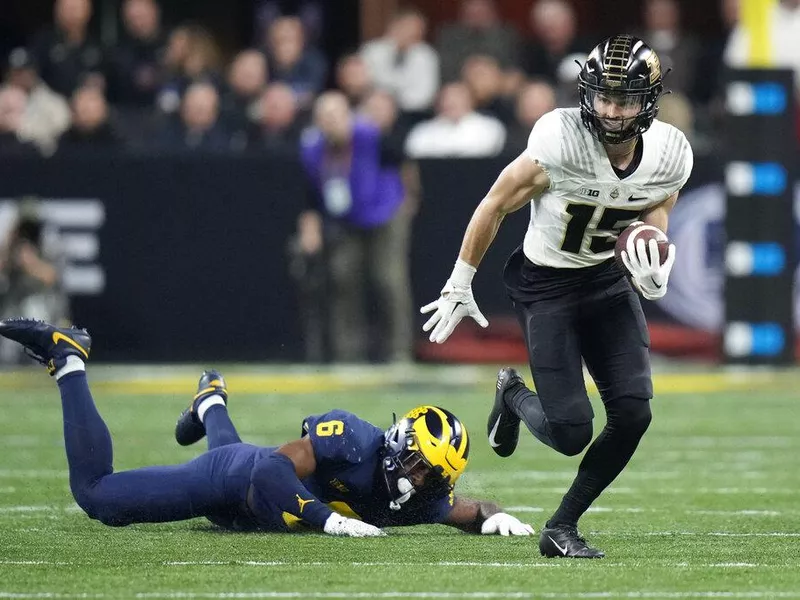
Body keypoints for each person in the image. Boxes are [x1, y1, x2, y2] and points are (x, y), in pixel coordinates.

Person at [420, 34, 693, 558]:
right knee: (570, 433)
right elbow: (495, 203)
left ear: (649, 101)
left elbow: (659, 202)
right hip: (547, 285)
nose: (612, 111)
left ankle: (561, 526)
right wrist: (460, 278)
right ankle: (514, 396)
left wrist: (654, 249)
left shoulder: (670, 150)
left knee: (634, 413)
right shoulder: (559, 137)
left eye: (626, 98)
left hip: (607, 282)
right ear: (586, 93)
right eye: (604, 96)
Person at [0, 317, 535, 537]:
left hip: (250, 515)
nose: (423, 482)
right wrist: (330, 521)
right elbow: (275, 469)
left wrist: (495, 520)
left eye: (435, 477)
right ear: (400, 444)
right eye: (422, 467)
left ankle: (211, 399)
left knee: (228, 444)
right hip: (237, 482)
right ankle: (68, 359)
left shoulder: (422, 499)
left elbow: (470, 511)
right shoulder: (353, 440)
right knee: (101, 500)